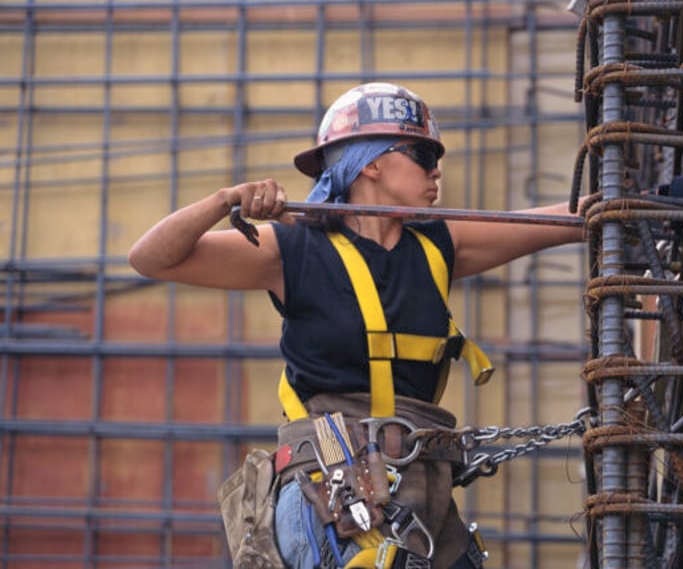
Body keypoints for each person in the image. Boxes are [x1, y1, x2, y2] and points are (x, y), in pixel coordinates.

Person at [128, 82, 584, 569]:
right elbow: (150, 258)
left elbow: (565, 221)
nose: (437, 170)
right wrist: (226, 201)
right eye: (421, 153)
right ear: (371, 163)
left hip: (418, 492)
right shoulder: (294, 249)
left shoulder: (436, 246)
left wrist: (641, 201)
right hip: (332, 493)